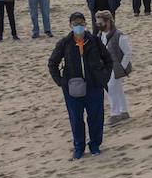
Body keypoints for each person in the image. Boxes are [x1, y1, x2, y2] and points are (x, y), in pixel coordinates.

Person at [48, 11, 112, 159]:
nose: (79, 27)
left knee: (96, 117)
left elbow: (108, 60)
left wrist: (104, 76)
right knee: (76, 118)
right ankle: (79, 147)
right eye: (76, 24)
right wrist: (62, 82)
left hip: (94, 85)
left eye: (81, 24)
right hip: (73, 88)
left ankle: (95, 144)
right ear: (70, 25)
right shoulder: (64, 43)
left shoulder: (94, 41)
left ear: (85, 24)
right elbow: (52, 64)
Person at [96, 10, 132, 124]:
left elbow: (128, 53)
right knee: (117, 89)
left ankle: (115, 113)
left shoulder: (119, 36)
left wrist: (122, 67)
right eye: (98, 23)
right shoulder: (100, 35)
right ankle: (124, 111)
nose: (99, 26)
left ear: (108, 22)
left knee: (111, 88)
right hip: (106, 67)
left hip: (116, 68)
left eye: (101, 23)